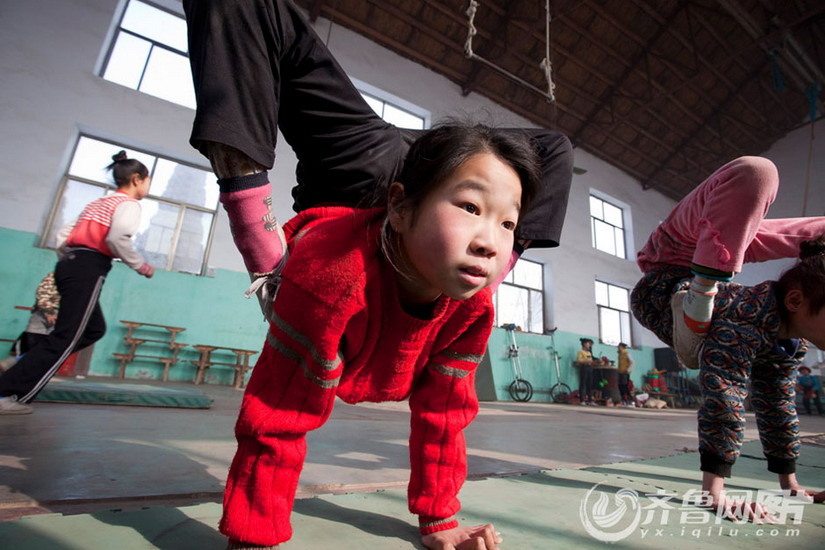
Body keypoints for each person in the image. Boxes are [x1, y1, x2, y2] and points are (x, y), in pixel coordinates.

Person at [218, 122, 538, 550]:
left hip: (397, 303)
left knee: (557, 147)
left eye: (508, 223)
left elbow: (445, 414)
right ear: (402, 209)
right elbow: (278, 413)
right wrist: (253, 536)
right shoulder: (330, 284)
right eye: (470, 207)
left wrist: (439, 519)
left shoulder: (473, 308)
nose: (491, 243)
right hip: (324, 251)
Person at [182, 0, 573, 311]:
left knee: (555, 146)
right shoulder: (376, 170)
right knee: (554, 147)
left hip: (391, 164)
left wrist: (487, 278)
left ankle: (485, 276)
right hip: (376, 162)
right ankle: (264, 255)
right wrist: (266, 260)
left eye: (506, 225)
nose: (491, 235)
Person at [631, 156, 825, 521]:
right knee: (757, 173)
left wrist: (791, 485)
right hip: (668, 272)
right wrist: (714, 495)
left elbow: (777, 407)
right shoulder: (747, 319)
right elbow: (724, 399)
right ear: (796, 301)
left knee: (774, 390)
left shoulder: (789, 341)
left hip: (715, 266)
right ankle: (701, 292)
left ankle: (700, 306)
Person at [0, 152, 154, 415]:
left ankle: (22, 360)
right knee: (65, 337)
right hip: (88, 266)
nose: (148, 187)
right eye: (148, 181)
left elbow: (63, 235)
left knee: (94, 329)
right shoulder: (128, 205)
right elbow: (117, 238)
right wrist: (140, 265)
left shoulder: (98, 203)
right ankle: (7, 394)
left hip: (69, 263)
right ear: (137, 179)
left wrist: (70, 260)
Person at [0, 272, 61, 373]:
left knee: (46, 347)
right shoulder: (59, 274)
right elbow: (43, 292)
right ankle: (15, 366)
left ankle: (14, 364)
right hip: (47, 313)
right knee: (33, 343)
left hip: (59, 315)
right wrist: (49, 311)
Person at [574, 338, 599, 406]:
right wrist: (586, 361)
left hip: (589, 368)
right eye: (588, 343)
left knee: (589, 384)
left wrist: (594, 362)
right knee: (583, 384)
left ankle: (590, 400)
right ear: (584, 344)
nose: (589, 345)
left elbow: (591, 360)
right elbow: (578, 360)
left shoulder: (589, 352)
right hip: (584, 368)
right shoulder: (580, 352)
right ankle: (582, 400)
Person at [617, 342, 634, 407]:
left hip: (625, 373)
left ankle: (630, 401)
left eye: (618, 346)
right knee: (620, 387)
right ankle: (623, 401)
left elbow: (632, 362)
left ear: (621, 347)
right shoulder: (620, 354)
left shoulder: (626, 353)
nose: (618, 348)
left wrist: (628, 370)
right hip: (620, 373)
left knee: (625, 387)